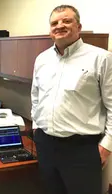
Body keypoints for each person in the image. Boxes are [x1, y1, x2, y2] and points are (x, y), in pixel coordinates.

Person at [31, 4, 112, 194]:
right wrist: (36, 125)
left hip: (81, 150)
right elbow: (35, 96)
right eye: (54, 23)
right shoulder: (42, 59)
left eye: (67, 21)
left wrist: (106, 146)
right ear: (50, 30)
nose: (60, 26)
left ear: (79, 27)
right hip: (46, 146)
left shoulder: (101, 58)